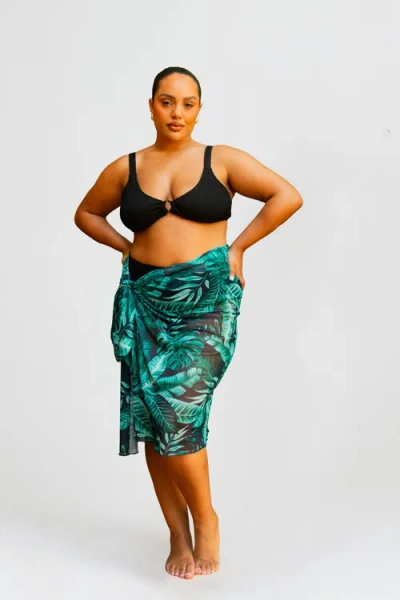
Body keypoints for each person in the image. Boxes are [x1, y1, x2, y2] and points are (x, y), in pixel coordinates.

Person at [74, 66, 303, 580]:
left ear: (199, 109)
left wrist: (238, 248)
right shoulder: (126, 167)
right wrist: (126, 247)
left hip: (206, 301)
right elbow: (86, 213)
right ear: (151, 106)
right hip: (146, 302)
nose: (176, 112)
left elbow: (286, 195)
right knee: (155, 418)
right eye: (167, 101)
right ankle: (178, 534)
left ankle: (206, 518)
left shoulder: (221, 160)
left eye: (187, 103)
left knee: (179, 408)